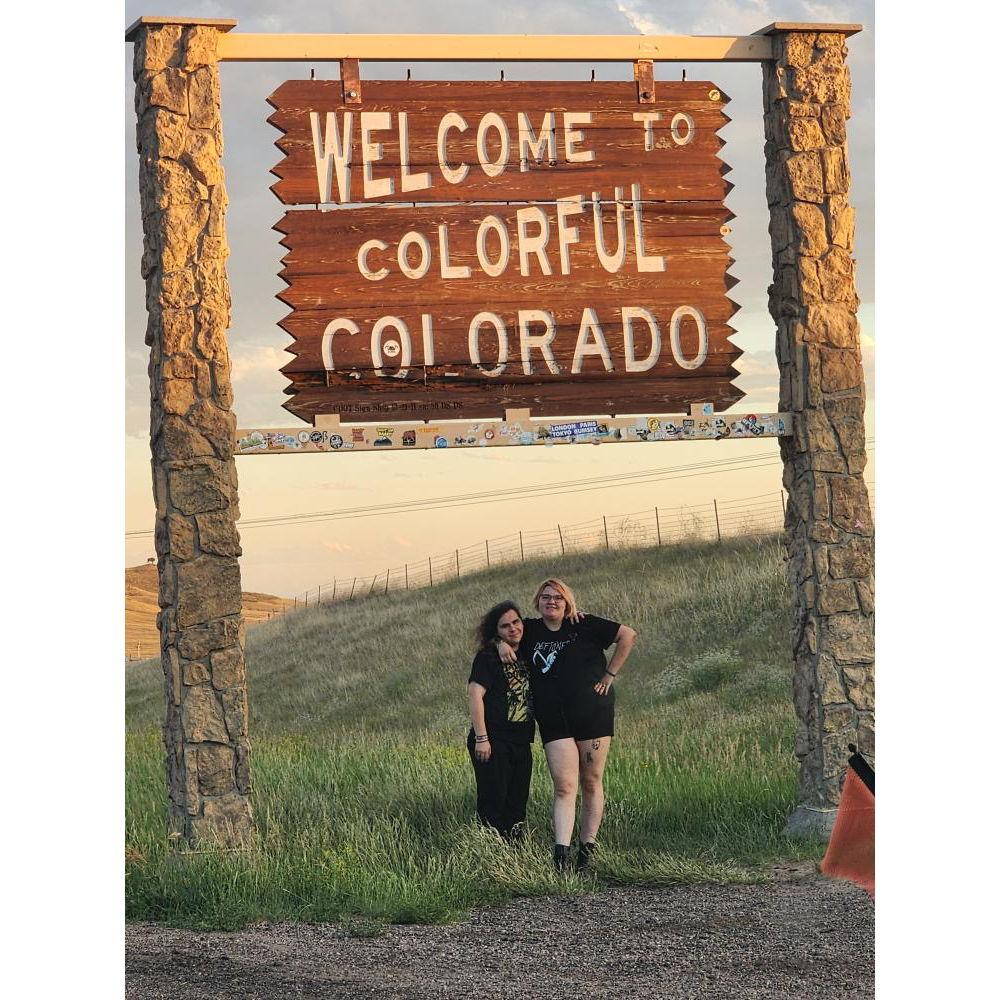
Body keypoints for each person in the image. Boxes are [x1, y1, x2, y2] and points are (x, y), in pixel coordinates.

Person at [499, 578, 636, 871]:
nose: (552, 601)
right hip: (553, 719)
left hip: (593, 714)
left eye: (558, 597)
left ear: (567, 602)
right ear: (537, 601)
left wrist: (610, 675)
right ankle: (560, 857)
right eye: (546, 597)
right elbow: (496, 629)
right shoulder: (529, 629)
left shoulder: (583, 624)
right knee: (564, 785)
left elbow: (627, 635)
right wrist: (499, 644)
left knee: (591, 780)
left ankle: (587, 852)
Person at [467, 601, 535, 840]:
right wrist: (481, 738)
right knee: (493, 800)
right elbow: (475, 694)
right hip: (493, 739)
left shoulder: (527, 649)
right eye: (505, 626)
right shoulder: (487, 657)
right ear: (496, 631)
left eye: (516, 622)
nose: (513, 628)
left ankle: (514, 850)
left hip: (521, 740)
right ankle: (490, 849)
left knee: (517, 800)